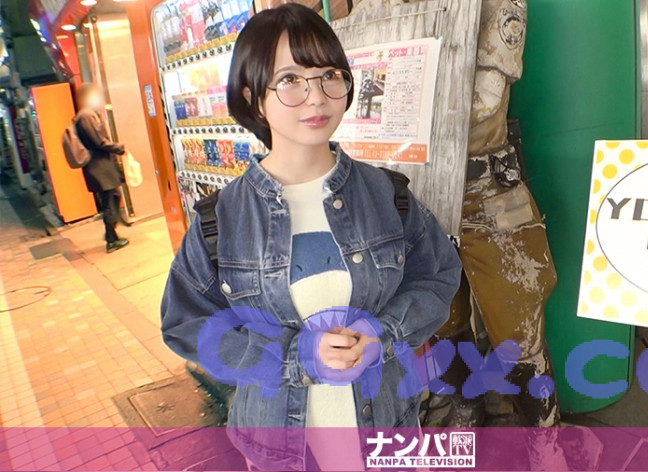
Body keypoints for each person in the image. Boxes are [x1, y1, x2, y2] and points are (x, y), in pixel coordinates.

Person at [160, 5, 461, 471]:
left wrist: (383, 333)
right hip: (280, 453)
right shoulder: (221, 219)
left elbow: (438, 277)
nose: (316, 97)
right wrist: (292, 357)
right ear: (253, 96)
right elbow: (186, 324)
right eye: (290, 80)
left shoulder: (387, 194)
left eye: (329, 76)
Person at [74, 83, 130, 253]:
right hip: (99, 168)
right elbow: (99, 142)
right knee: (109, 201)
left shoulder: (87, 115)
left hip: (100, 167)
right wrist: (119, 148)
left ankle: (111, 233)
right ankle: (111, 240)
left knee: (113, 197)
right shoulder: (86, 116)